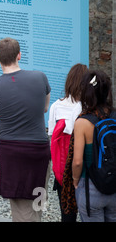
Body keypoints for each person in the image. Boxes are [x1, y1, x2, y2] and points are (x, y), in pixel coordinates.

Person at [0, 37, 51, 222]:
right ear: (19, 55)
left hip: (12, 152)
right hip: (38, 150)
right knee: (37, 201)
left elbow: (0, 116)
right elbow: (44, 108)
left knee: (22, 208)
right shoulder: (40, 77)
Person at [72, 70, 116, 222]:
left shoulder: (82, 123)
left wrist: (75, 180)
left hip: (90, 186)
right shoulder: (115, 115)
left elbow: (77, 161)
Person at [48, 63, 88, 222]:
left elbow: (51, 138)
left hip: (62, 169)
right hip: (84, 167)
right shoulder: (86, 107)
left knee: (67, 215)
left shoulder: (56, 106)